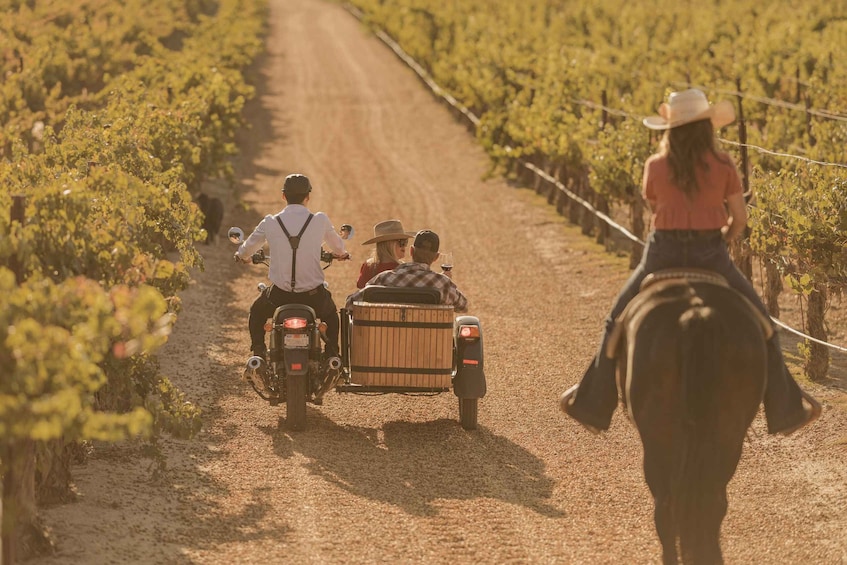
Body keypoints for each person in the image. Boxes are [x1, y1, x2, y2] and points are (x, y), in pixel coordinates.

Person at [560, 88, 821, 436]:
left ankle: (592, 404)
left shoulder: (655, 165)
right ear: (707, 127)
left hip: (662, 252)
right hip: (711, 252)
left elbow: (654, 207)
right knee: (765, 324)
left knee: (614, 321)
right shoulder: (724, 165)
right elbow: (739, 218)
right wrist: (725, 236)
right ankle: (787, 409)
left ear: (671, 128)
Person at [234, 173, 349, 359]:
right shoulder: (319, 220)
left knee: (256, 312)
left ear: (283, 196)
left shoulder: (270, 221)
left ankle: (259, 351)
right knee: (331, 316)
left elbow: (247, 248)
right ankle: (332, 355)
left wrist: (241, 256)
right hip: (313, 296)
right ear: (308, 196)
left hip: (280, 295)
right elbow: (339, 247)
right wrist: (341, 255)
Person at [345, 229, 468, 312]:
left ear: (411, 251)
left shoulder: (384, 278)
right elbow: (463, 306)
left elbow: (351, 303)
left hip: (384, 344)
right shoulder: (443, 283)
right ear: (436, 258)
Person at [355, 219, 416, 288]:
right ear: (389, 245)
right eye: (402, 242)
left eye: (405, 242)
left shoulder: (368, 266)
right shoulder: (404, 269)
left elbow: (361, 289)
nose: (405, 246)